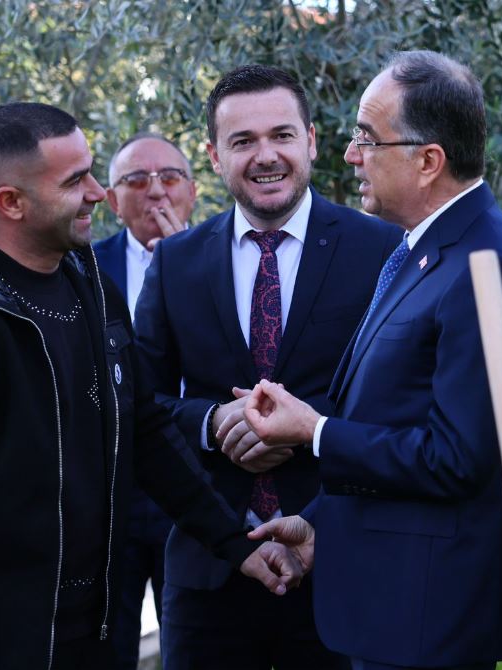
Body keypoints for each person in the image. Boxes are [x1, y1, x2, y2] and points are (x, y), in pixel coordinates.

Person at [0, 102, 300, 670]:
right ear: (11, 202)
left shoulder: (92, 287)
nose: (100, 193)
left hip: (91, 635)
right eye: (74, 181)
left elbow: (145, 431)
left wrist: (233, 543)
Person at [240, 51, 502, 670]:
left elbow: (458, 459)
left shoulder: (488, 267)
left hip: (427, 619)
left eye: (367, 139)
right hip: (393, 609)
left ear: (428, 160)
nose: (350, 156)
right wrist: (320, 523)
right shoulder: (424, 251)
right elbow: (396, 415)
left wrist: (316, 431)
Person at [134, 65, 399, 670]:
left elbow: (393, 398)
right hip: (208, 570)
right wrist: (213, 423)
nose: (266, 156)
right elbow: (139, 406)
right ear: (214, 156)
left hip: (341, 560)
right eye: (243, 141)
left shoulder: (381, 249)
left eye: (281, 135)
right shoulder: (175, 263)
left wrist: (301, 427)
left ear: (311, 141)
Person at [94, 132, 197, 668]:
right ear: (112, 200)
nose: (156, 191)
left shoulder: (222, 262)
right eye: (136, 180)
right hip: (108, 493)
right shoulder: (82, 268)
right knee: (107, 645)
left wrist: (186, 265)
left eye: (170, 177)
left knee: (191, 644)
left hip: (193, 485)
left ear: (193, 190)